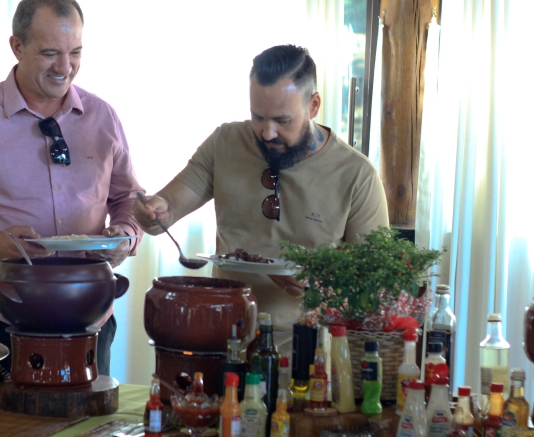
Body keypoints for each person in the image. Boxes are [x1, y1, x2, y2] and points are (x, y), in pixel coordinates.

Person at [0, 0, 144, 376]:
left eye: (75, 52)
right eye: (50, 53)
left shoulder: (103, 116)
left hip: (88, 321)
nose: (65, 67)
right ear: (17, 47)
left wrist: (126, 235)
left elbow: (130, 199)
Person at [133, 44, 389, 352]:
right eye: (258, 117)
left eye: (283, 120)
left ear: (313, 105)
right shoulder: (225, 143)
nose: (268, 133)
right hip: (222, 339)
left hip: (308, 351)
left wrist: (320, 287)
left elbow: (375, 290)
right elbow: (166, 210)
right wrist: (153, 212)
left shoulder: (356, 175)